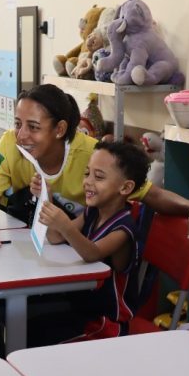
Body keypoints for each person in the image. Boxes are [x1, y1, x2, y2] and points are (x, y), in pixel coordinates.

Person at [0, 83, 189, 249]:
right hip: (25, 248)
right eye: (18, 123)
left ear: (60, 129)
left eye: (33, 127)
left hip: (71, 257)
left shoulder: (94, 155)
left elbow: (150, 193)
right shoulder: (9, 144)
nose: (21, 135)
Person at [38, 141, 148, 341]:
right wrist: (47, 200)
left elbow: (92, 253)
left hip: (106, 323)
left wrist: (64, 224)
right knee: (30, 323)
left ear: (125, 187)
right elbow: (55, 238)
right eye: (87, 173)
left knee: (38, 335)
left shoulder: (124, 229)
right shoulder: (92, 212)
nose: (88, 181)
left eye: (99, 177)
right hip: (80, 308)